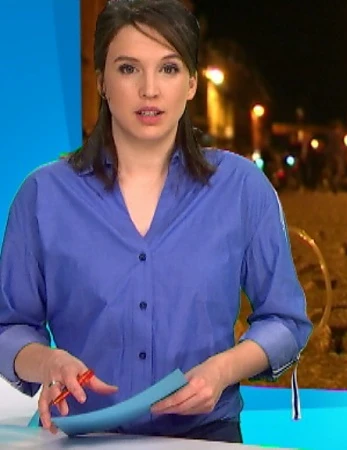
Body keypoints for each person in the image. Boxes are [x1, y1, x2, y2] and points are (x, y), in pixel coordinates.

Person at [0, 0, 312, 444]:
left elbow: (286, 322)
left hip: (206, 434)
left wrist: (222, 371)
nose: (149, 89)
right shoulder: (42, 195)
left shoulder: (243, 188)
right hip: (81, 436)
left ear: (191, 83)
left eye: (168, 69)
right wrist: (48, 363)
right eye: (128, 69)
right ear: (102, 83)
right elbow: (8, 327)